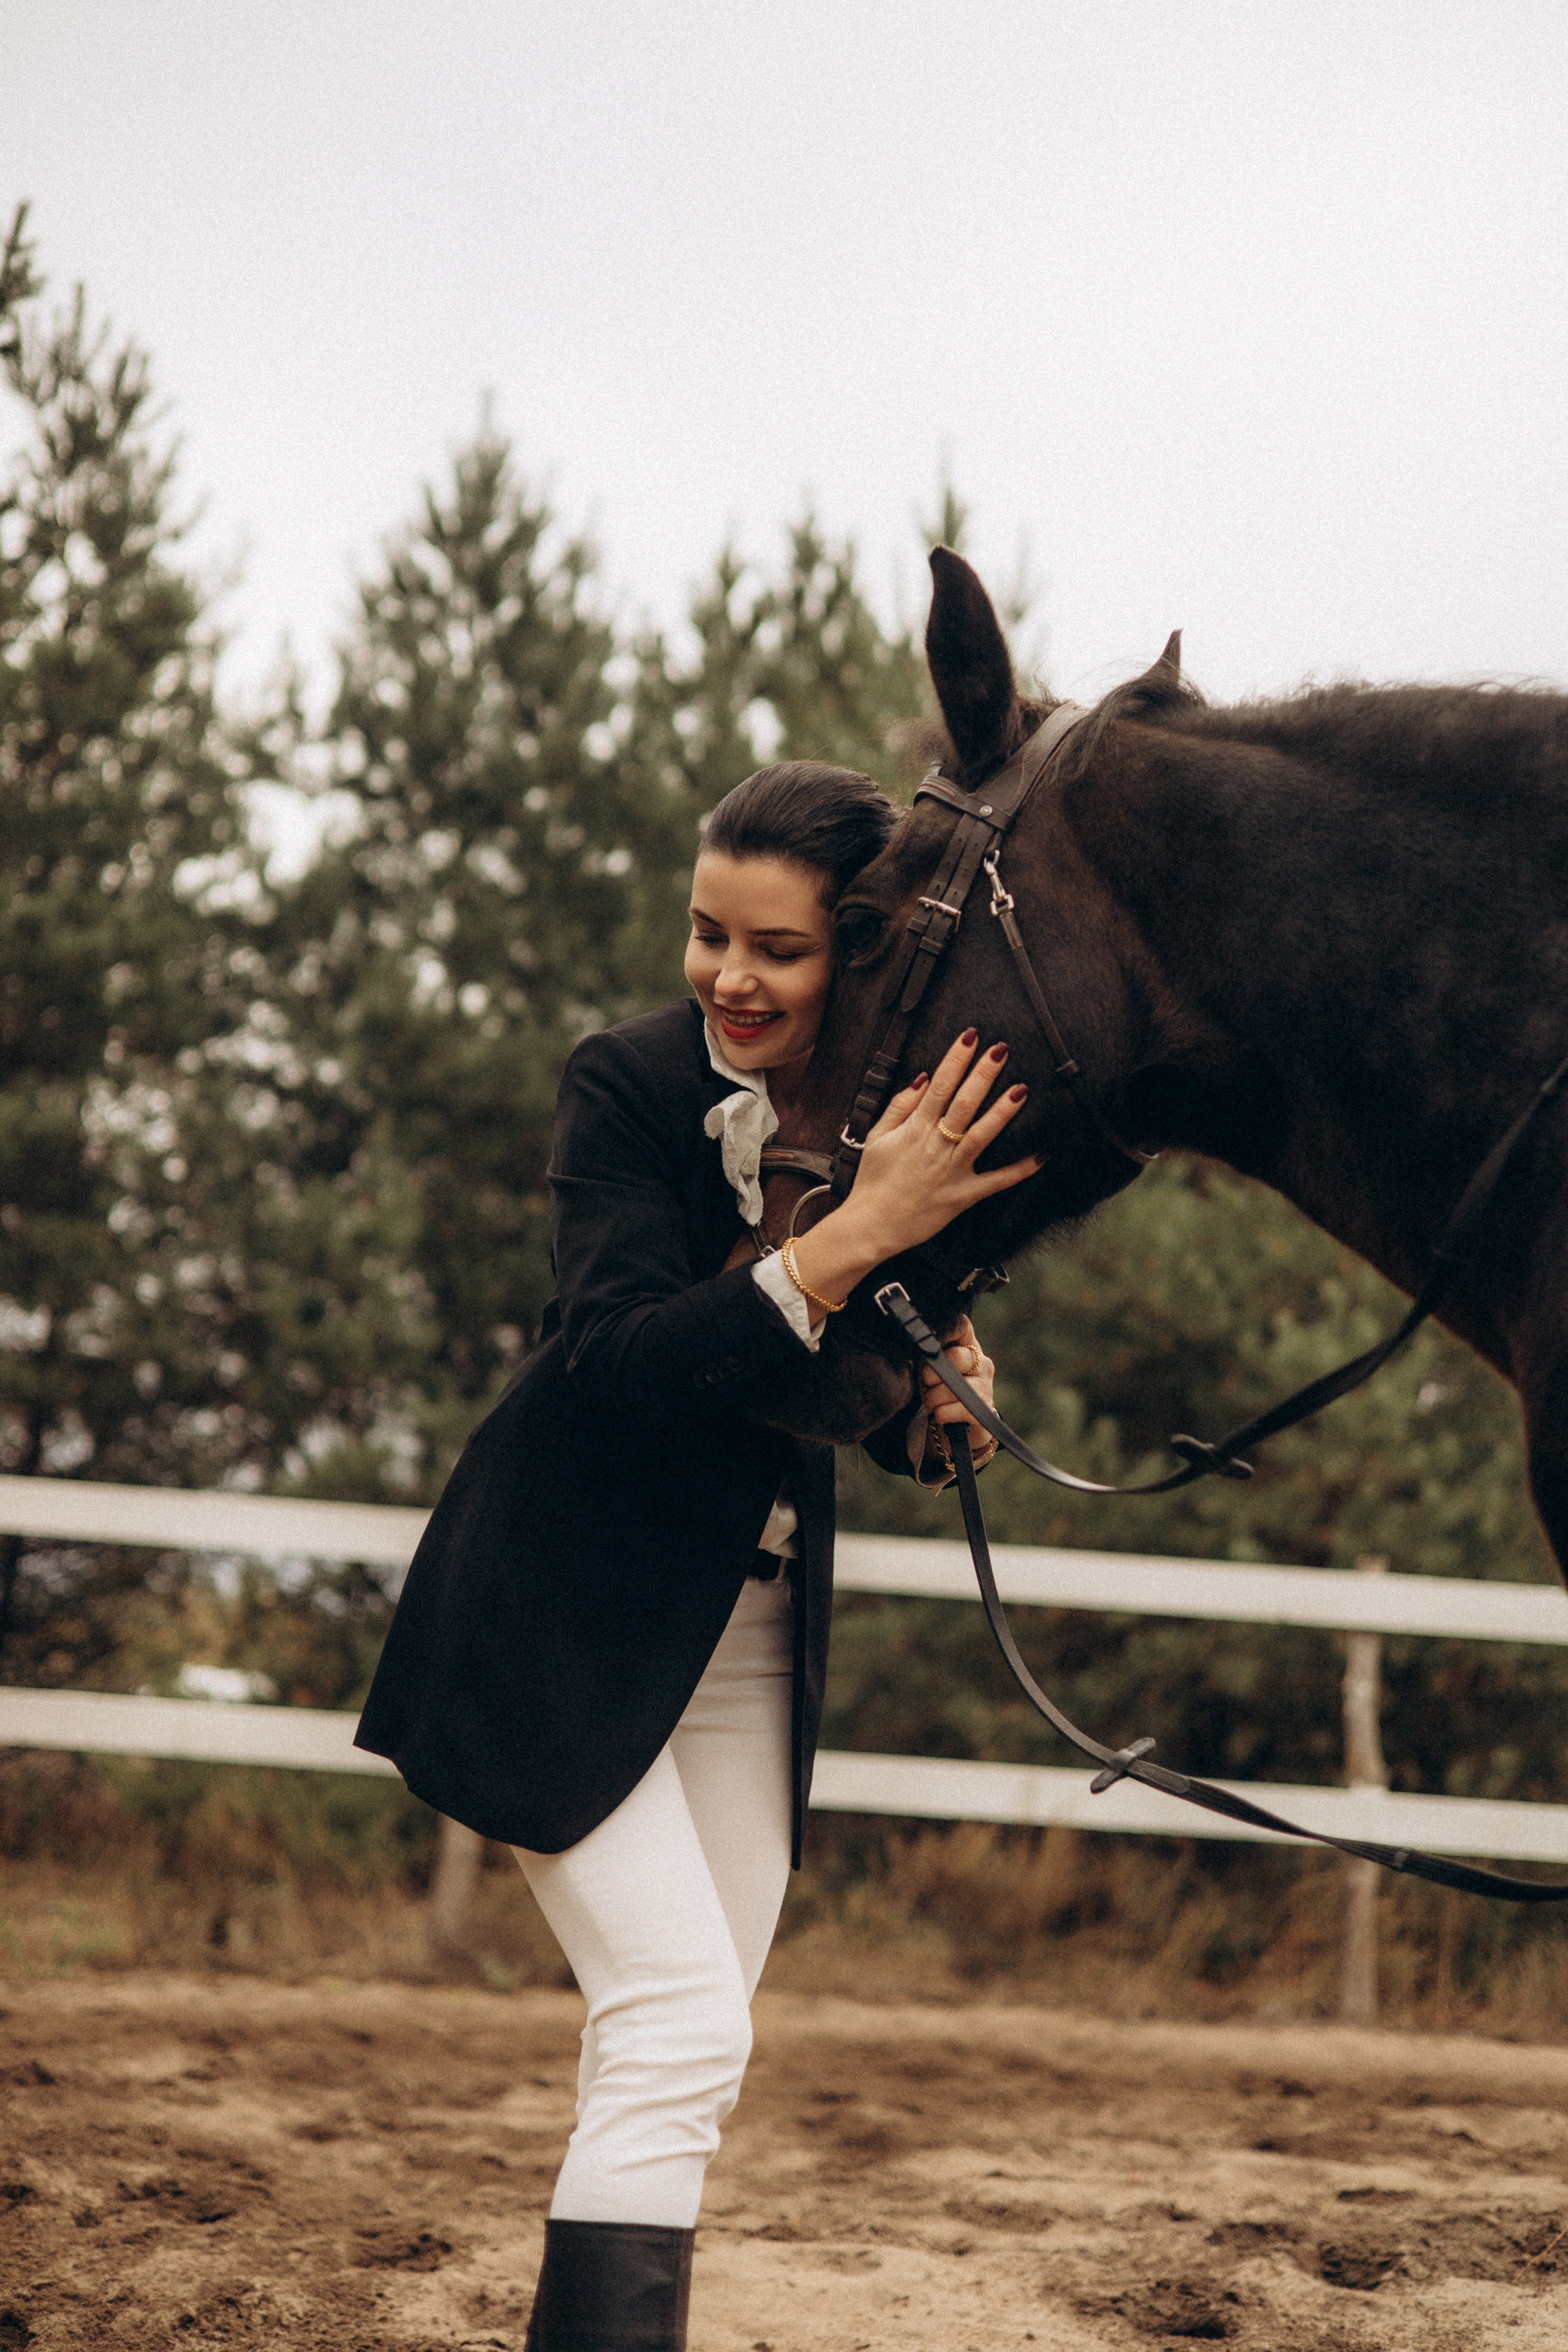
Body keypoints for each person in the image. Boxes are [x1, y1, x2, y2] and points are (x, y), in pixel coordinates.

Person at [355, 761, 1040, 2350]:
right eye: (708, 932)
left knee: (685, 2038)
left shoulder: (896, 1132)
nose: (731, 974)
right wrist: (856, 1237)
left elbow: (836, 1373)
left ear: (853, 956)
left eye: (779, 950)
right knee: (675, 2023)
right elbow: (618, 1360)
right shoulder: (625, 1083)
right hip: (557, 1617)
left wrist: (932, 1404)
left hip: (751, 1646)